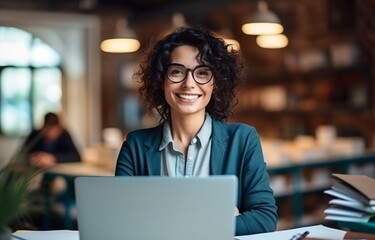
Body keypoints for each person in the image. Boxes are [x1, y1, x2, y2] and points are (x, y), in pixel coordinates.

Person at [115, 26, 277, 236]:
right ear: (161, 80)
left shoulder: (243, 139)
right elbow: (120, 220)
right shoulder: (135, 145)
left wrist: (165, 222)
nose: (189, 83)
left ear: (216, 83)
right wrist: (219, 221)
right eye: (176, 72)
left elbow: (264, 219)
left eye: (202, 73)